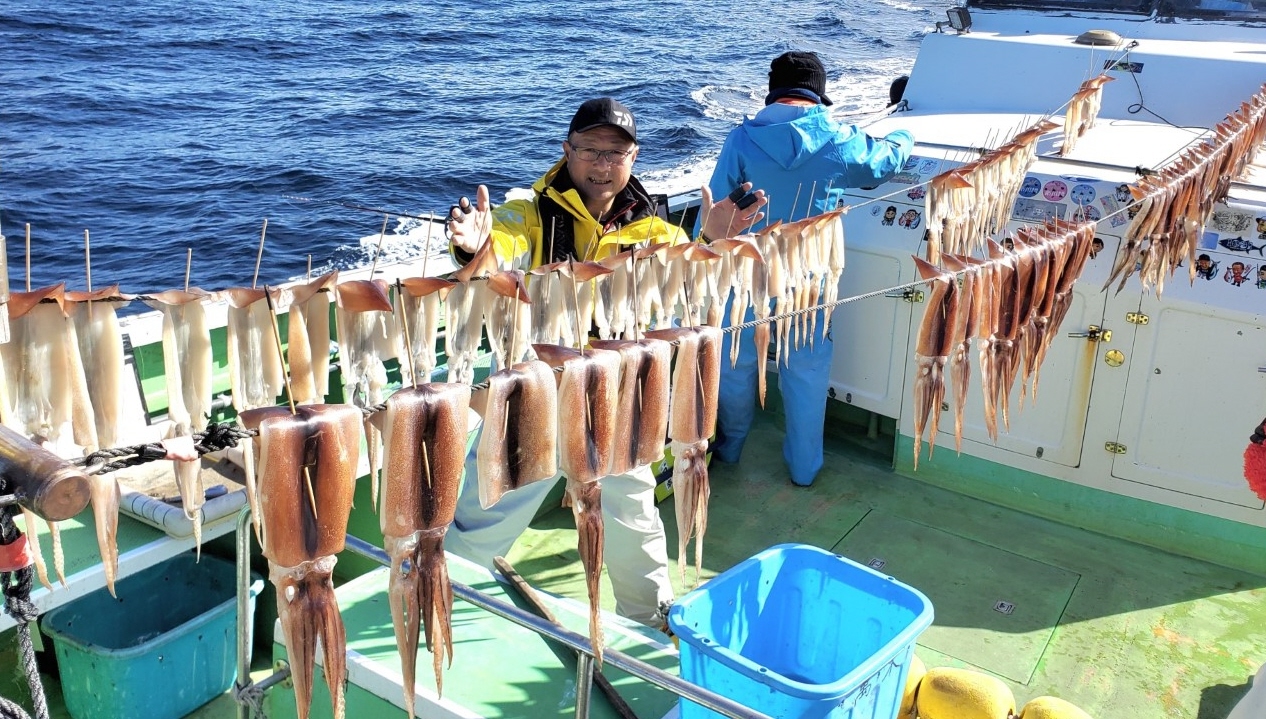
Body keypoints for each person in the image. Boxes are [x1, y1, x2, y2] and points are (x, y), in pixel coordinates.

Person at [445, 97, 763, 625]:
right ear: (566, 151)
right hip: (540, 386)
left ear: (633, 158)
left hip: (619, 390)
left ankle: (650, 617)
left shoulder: (657, 228)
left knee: (633, 514)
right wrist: (474, 248)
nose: (601, 163)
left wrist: (710, 241)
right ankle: (447, 596)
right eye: (590, 149)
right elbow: (499, 245)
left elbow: (684, 286)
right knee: (489, 508)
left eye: (615, 152)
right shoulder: (531, 213)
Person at [701, 51, 914, 487]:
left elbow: (718, 214)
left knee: (735, 361)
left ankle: (730, 447)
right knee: (807, 367)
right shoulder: (838, 136)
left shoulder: (741, 139)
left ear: (773, 90)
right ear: (817, 92)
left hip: (746, 272)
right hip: (810, 277)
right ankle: (804, 468)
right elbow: (883, 162)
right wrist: (906, 133)